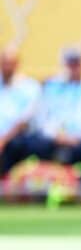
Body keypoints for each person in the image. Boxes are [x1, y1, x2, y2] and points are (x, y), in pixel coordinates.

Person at [3, 48, 81, 170]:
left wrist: (77, 136)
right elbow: (43, 116)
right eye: (70, 63)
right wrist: (55, 135)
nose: (73, 67)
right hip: (55, 139)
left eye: (76, 63)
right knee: (33, 145)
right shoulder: (53, 86)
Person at [0, 45, 41, 175]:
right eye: (4, 63)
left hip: (16, 139)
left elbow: (24, 121)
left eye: (10, 63)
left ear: (17, 64)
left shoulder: (29, 87)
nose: (7, 67)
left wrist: (4, 139)